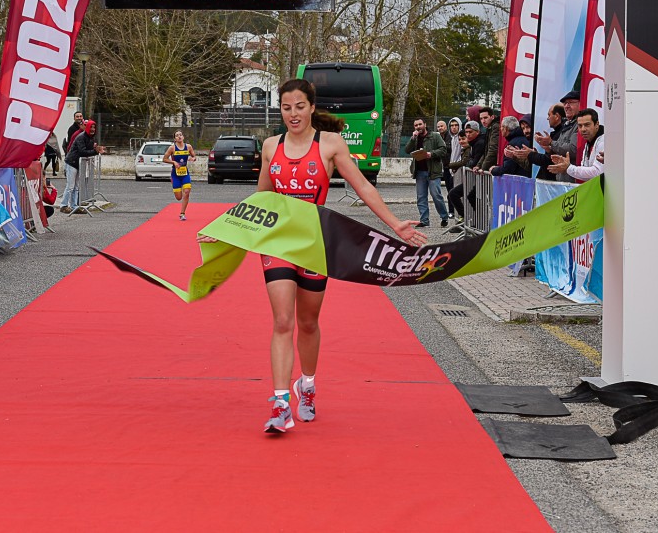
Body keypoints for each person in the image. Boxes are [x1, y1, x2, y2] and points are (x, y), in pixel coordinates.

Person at [201, 78, 427, 435]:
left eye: (299, 107)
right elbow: (259, 200)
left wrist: (395, 224)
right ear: (281, 110)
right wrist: (225, 230)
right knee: (282, 321)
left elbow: (363, 185)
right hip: (276, 244)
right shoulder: (271, 146)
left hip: (313, 246)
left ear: (311, 107)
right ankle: (279, 404)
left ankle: (306, 387)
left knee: (307, 323)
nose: (293, 114)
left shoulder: (331, 144)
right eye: (286, 108)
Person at [403, 117, 451, 228]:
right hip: (419, 172)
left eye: (420, 124)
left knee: (436, 195)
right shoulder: (415, 138)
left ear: (425, 124)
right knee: (421, 197)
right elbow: (406, 150)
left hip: (433, 171)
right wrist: (412, 138)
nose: (418, 127)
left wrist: (431, 154)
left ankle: (444, 217)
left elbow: (443, 150)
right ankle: (424, 220)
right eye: (416, 125)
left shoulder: (435, 136)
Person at [548, 108, 604, 180]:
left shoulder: (603, 141)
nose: (583, 129)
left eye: (587, 125)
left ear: (597, 124)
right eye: (580, 126)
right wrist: (566, 168)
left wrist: (568, 168)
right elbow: (586, 172)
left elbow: (597, 173)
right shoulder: (589, 142)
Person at [61, 120, 105, 211]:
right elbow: (82, 151)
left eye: (94, 127)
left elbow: (88, 150)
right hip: (72, 162)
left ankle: (74, 206)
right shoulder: (81, 137)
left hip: (78, 164)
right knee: (70, 186)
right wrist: (95, 151)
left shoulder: (90, 138)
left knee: (76, 186)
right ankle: (64, 205)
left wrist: (95, 149)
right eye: (91, 127)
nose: (93, 129)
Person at [448, 121, 484, 221]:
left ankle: (474, 221)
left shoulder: (478, 144)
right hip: (471, 177)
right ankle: (469, 220)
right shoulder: (471, 145)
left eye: (470, 132)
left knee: (469, 197)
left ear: (477, 132)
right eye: (466, 132)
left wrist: (450, 165)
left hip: (477, 177)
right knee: (455, 194)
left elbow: (469, 162)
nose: (468, 135)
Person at [163, 130, 196, 221]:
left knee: (187, 192)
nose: (179, 137)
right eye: (177, 135)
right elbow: (164, 159)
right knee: (178, 197)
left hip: (185, 173)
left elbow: (194, 156)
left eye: (180, 135)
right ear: (175, 139)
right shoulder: (172, 148)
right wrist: (173, 162)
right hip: (175, 174)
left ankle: (182, 213)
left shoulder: (188, 147)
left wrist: (193, 158)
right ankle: (175, 184)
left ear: (183, 137)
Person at [437, 119, 455, 197]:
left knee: (451, 189)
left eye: (441, 126)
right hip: (443, 166)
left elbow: (450, 148)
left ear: (446, 127)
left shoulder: (450, 136)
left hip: (450, 165)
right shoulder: (438, 136)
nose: (440, 128)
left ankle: (452, 209)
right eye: (438, 127)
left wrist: (442, 146)